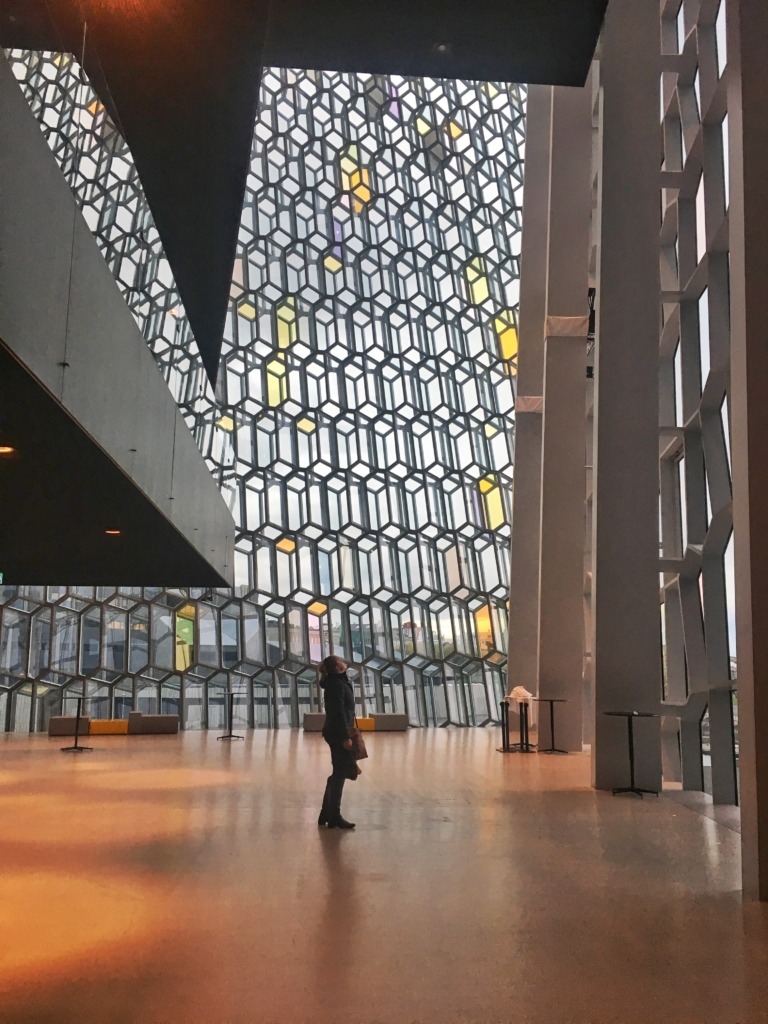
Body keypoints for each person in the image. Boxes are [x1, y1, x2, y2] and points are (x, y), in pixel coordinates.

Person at [317, 655, 357, 829]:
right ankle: (334, 816)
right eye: (340, 660)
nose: (344, 661)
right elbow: (338, 711)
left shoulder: (338, 682)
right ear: (337, 667)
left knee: (338, 772)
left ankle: (327, 813)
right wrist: (345, 736)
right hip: (338, 733)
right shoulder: (336, 684)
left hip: (336, 731)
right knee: (340, 773)